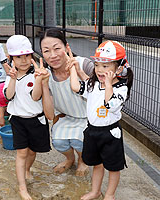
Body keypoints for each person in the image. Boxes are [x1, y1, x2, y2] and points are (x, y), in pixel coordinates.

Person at [69, 40, 133, 200]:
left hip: (110, 133)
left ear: (119, 67)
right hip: (92, 131)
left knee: (113, 167)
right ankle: (95, 191)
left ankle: (109, 195)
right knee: (97, 164)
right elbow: (77, 87)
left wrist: (109, 84)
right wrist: (73, 69)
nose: (99, 70)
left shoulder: (121, 88)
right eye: (97, 65)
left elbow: (110, 104)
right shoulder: (94, 84)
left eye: (105, 66)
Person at [4, 35, 53, 200]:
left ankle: (27, 170)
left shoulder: (35, 74)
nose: (24, 60)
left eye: (27, 55)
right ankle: (22, 188)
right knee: (22, 153)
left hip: (36, 120)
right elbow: (8, 96)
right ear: (11, 58)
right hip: (18, 120)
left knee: (32, 152)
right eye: (19, 56)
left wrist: (39, 80)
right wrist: (12, 79)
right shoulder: (10, 76)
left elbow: (35, 97)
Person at [40, 28, 94, 176]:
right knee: (59, 142)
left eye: (57, 48)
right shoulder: (46, 74)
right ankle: (70, 159)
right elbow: (50, 115)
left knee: (79, 142)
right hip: (66, 116)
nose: (53, 55)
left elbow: (100, 93)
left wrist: (78, 73)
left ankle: (82, 160)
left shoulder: (84, 65)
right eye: (46, 51)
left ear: (67, 47)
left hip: (88, 117)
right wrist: (43, 84)